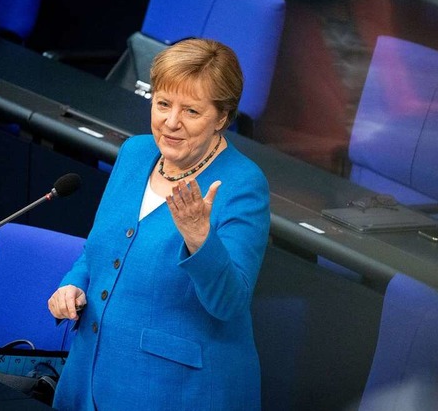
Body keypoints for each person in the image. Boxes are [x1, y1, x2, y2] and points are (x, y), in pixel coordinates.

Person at [48, 38, 271, 410]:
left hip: (177, 392)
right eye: (163, 104)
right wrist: (72, 284)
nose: (171, 122)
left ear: (222, 117)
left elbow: (230, 303)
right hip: (89, 374)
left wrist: (201, 238)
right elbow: (99, 251)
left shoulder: (243, 185)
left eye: (191, 111)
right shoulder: (135, 153)